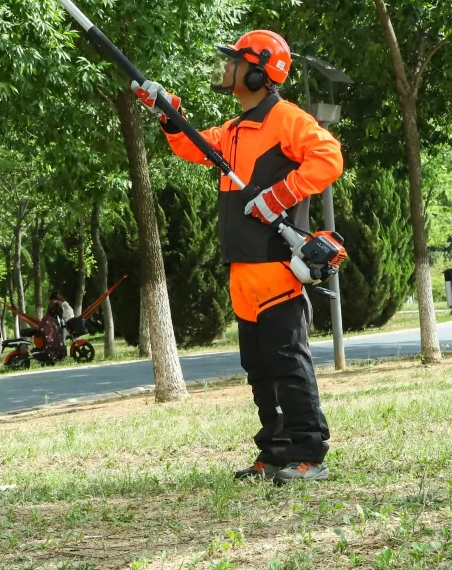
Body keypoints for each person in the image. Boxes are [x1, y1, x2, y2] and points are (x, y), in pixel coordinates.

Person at [134, 30, 342, 484]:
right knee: (259, 370)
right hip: (242, 274)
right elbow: (191, 144)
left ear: (258, 69)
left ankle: (309, 453)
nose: (225, 69)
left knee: (289, 364)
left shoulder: (287, 119)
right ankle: (274, 451)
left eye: (233, 61)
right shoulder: (232, 130)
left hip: (275, 267)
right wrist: (169, 113)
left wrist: (280, 194)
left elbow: (328, 158)